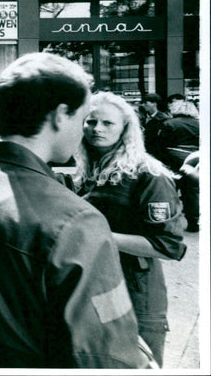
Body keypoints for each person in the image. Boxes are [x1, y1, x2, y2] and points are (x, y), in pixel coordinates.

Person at [0, 53, 153, 368]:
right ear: (60, 115)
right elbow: (106, 355)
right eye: (84, 117)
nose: (86, 131)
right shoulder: (77, 222)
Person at [75, 91, 186, 367]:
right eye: (90, 122)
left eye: (107, 123)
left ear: (126, 128)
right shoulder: (87, 170)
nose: (96, 129)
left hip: (138, 292)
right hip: (98, 287)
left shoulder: (148, 174)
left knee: (139, 365)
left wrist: (100, 237)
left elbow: (168, 245)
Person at [155, 99, 200, 232]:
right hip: (194, 160)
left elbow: (160, 144)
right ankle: (193, 221)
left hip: (172, 160)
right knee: (192, 191)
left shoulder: (169, 124)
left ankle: (168, 222)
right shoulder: (199, 124)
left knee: (169, 190)